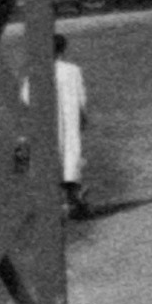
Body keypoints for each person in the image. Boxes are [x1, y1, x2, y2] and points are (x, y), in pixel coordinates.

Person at [55, 46, 93, 218]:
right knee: (70, 160)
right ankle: (73, 201)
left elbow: (26, 98)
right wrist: (83, 117)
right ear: (61, 50)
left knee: (54, 160)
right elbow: (80, 97)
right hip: (69, 120)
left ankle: (69, 202)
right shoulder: (72, 70)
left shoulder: (35, 71)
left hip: (46, 122)